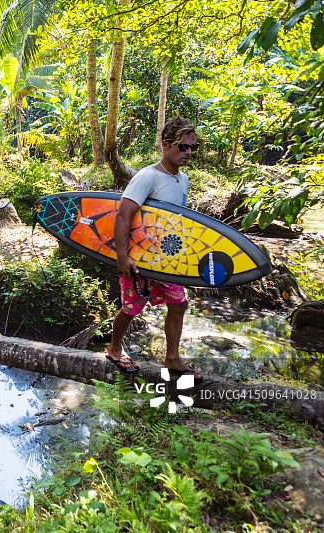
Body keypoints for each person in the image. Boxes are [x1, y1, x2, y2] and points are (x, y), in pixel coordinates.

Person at [107, 116, 202, 382]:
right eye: (183, 146)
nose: (189, 152)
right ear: (165, 144)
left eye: (192, 147)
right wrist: (122, 256)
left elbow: (177, 223)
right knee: (131, 307)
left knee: (179, 304)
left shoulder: (183, 180)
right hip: (141, 259)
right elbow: (123, 215)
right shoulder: (148, 177)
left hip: (167, 260)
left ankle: (172, 358)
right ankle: (114, 348)